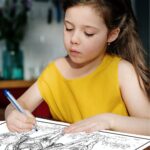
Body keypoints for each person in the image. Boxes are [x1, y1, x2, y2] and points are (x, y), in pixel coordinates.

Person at [5, 0, 150, 135]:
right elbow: (18, 105)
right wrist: (12, 114)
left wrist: (108, 120)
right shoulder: (55, 72)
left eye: (88, 33)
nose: (74, 39)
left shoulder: (122, 71)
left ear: (111, 35)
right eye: (68, 28)